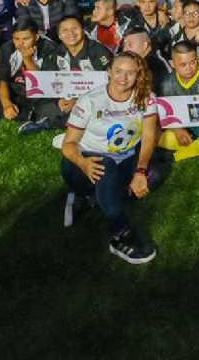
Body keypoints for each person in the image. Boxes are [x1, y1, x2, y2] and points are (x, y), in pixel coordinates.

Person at [59, 53, 162, 264]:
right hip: (84, 161)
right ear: (109, 72)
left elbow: (149, 137)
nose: (123, 78)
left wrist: (140, 171)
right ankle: (120, 234)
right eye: (118, 71)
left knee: (155, 174)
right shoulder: (89, 100)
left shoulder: (146, 97)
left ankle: (92, 196)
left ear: (138, 75)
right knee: (105, 168)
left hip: (124, 158)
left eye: (130, 72)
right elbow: (68, 145)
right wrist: (82, 163)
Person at [0, 18, 63, 133]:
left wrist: (27, 59)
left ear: (36, 37)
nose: (20, 43)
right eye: (16, 39)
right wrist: (6, 104)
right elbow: (3, 80)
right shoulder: (7, 48)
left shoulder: (49, 48)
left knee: (52, 105)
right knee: (2, 107)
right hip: (18, 89)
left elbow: (43, 84)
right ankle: (34, 116)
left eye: (26, 39)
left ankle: (39, 116)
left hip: (43, 92)